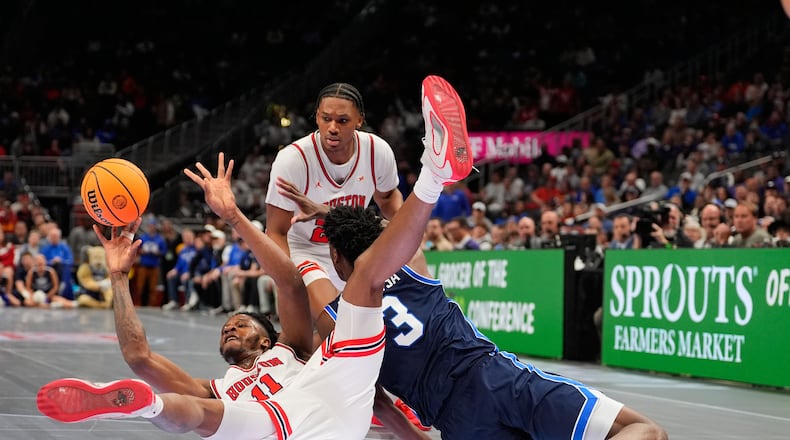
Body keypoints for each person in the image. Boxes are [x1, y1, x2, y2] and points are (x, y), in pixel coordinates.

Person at [36, 74, 474, 439]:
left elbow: (384, 209)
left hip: (313, 401)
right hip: (304, 270)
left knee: (382, 313)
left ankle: (433, 175)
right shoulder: (293, 160)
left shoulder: (292, 348)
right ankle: (148, 406)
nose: (230, 325)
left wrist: (233, 216)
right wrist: (118, 277)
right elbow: (140, 359)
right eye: (325, 118)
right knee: (200, 408)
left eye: (240, 323)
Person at [265, 82, 403, 319]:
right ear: (317, 116)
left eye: (342, 121)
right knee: (332, 319)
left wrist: (402, 232)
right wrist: (290, 282)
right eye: (325, 118)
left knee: (385, 320)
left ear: (359, 120)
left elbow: (389, 198)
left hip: (351, 251)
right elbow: (275, 231)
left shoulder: (377, 151)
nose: (332, 128)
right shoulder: (292, 160)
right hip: (305, 249)